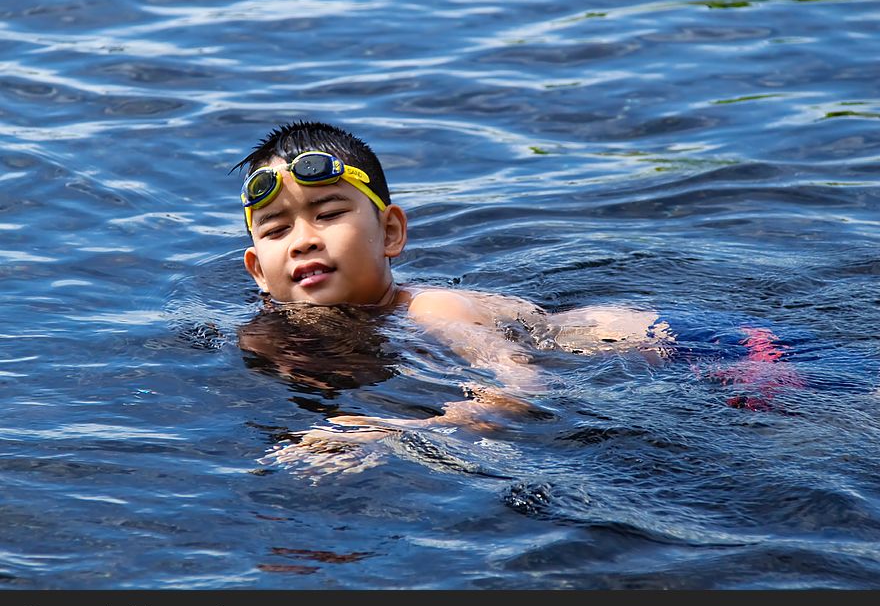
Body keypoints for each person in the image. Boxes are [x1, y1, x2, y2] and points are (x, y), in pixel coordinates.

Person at [233, 121, 802, 473]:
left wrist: (395, 435)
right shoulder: (276, 331)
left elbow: (524, 388)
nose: (304, 238)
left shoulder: (436, 312)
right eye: (277, 229)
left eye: (329, 214)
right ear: (259, 270)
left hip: (718, 351)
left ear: (390, 233)